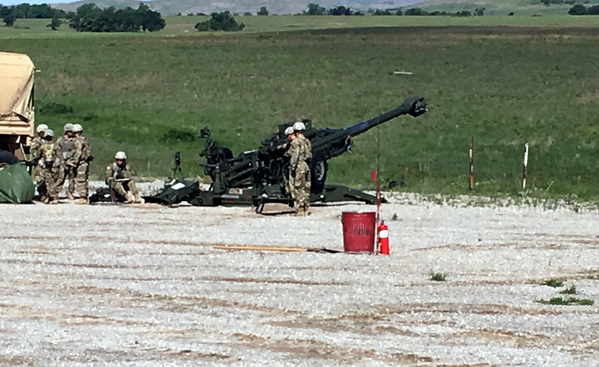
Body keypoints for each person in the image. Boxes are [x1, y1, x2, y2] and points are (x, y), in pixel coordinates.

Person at [285, 121, 312, 216]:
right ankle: (306, 208)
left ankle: (300, 209)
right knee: (306, 188)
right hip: (306, 165)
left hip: (299, 166)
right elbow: (309, 154)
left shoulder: (296, 142)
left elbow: (295, 156)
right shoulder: (307, 141)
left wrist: (292, 167)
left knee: (299, 187)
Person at [36, 129, 63, 204]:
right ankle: (51, 197)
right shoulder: (56, 145)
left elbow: (38, 155)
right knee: (53, 182)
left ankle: (53, 198)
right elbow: (60, 156)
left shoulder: (42, 146)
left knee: (48, 182)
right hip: (55, 166)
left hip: (46, 166)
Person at [54, 123, 80, 201]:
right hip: (62, 162)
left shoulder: (75, 141)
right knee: (60, 178)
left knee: (72, 179)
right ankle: (55, 193)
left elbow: (77, 151)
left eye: (71, 131)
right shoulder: (60, 140)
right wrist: (61, 159)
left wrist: (74, 160)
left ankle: (70, 192)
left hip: (71, 162)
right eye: (69, 131)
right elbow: (56, 149)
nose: (71, 133)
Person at [68, 124, 92, 204]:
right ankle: (84, 196)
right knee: (84, 180)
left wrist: (74, 162)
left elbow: (78, 153)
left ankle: (83, 197)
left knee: (80, 180)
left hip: (80, 163)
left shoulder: (78, 141)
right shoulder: (84, 140)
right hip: (84, 163)